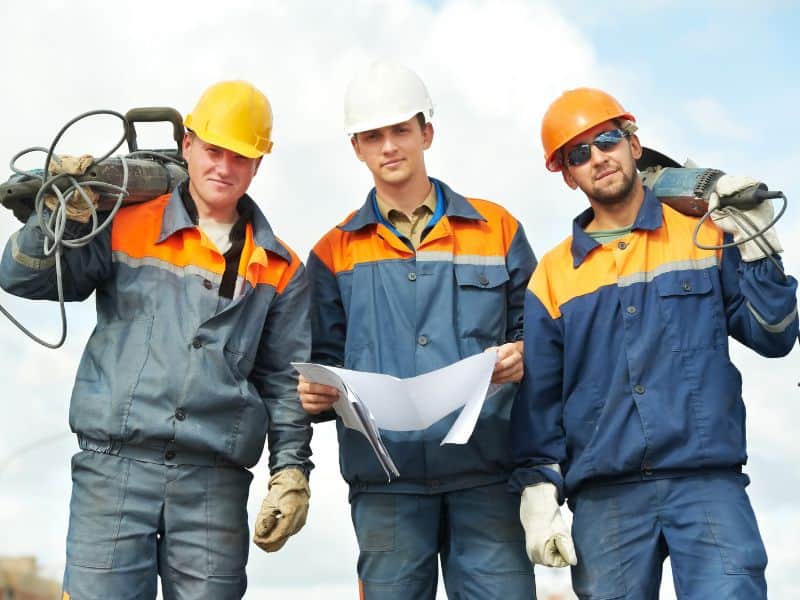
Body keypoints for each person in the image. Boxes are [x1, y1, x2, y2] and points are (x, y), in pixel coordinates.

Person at [0, 80, 313, 599]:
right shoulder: (123, 223)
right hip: (113, 474)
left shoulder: (280, 268)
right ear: (187, 144)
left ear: (258, 165)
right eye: (213, 150)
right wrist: (58, 214)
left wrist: (292, 471)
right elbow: (21, 276)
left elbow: (284, 383)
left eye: (241, 157)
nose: (224, 168)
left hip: (214, 488)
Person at [510, 87, 798, 599]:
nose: (598, 158)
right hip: (605, 499)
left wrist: (760, 255)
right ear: (567, 175)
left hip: (707, 482)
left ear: (634, 144)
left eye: (607, 140)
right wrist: (538, 489)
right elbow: (541, 402)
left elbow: (774, 336)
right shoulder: (552, 277)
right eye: (580, 153)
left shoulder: (704, 236)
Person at [298, 60, 537, 599]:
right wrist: (313, 396)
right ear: (356, 147)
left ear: (426, 132)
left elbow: (542, 337)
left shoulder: (498, 230)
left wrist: (524, 354)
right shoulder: (332, 253)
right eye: (373, 135)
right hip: (387, 490)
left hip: (489, 480)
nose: (389, 146)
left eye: (401, 130)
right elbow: (321, 358)